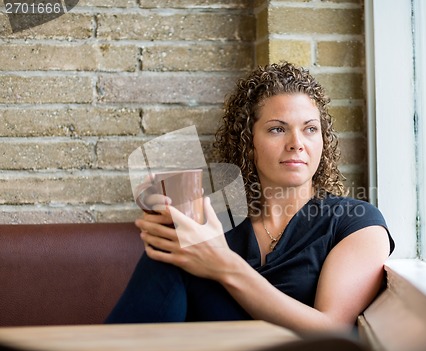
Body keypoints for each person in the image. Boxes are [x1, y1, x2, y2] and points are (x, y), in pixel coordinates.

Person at [105, 62, 395, 333]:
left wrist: (224, 266)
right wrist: (162, 207)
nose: (297, 144)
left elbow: (331, 330)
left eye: (310, 129)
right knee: (176, 247)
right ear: (249, 143)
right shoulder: (220, 219)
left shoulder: (355, 222)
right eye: (277, 129)